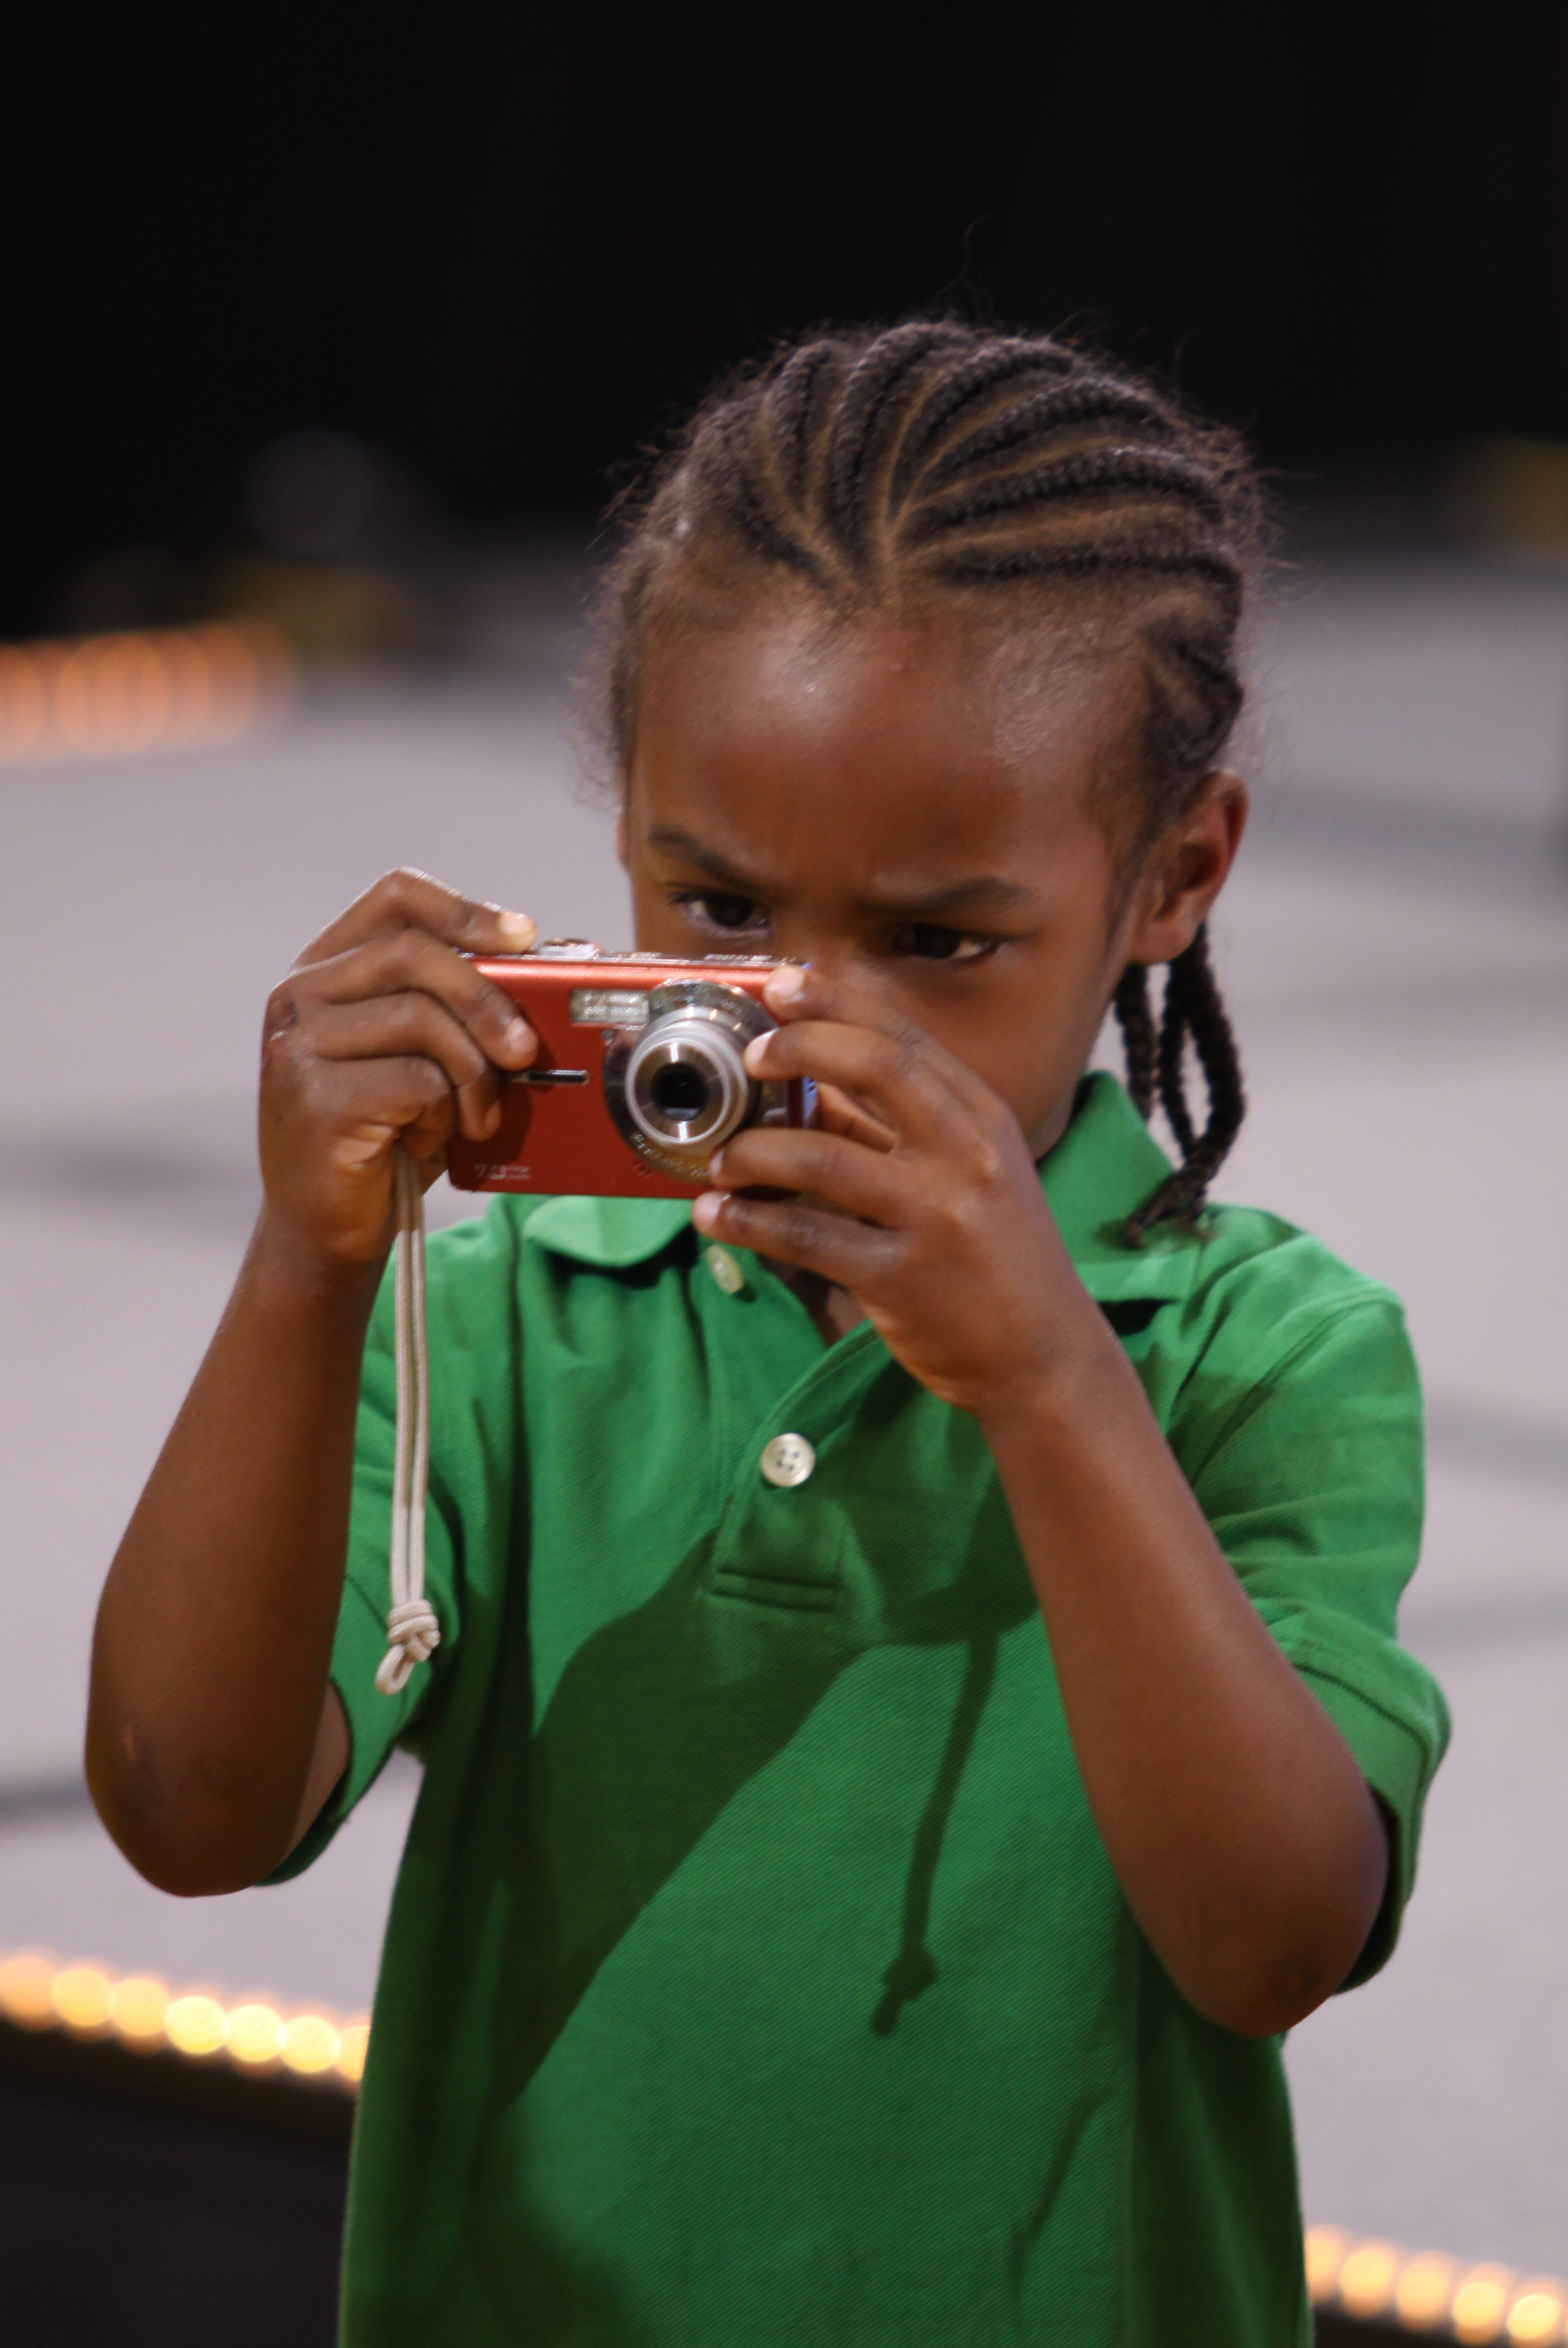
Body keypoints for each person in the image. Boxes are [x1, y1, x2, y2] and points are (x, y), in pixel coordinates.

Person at [87, 321, 1449, 2346]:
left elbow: (1267, 1942)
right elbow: (194, 1820)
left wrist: (1050, 1380)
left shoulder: (1260, 1348)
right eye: (710, 908)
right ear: (622, 820)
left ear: (1173, 874)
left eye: (935, 942)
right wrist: (306, 1264)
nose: (802, 1021)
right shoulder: (492, 1323)